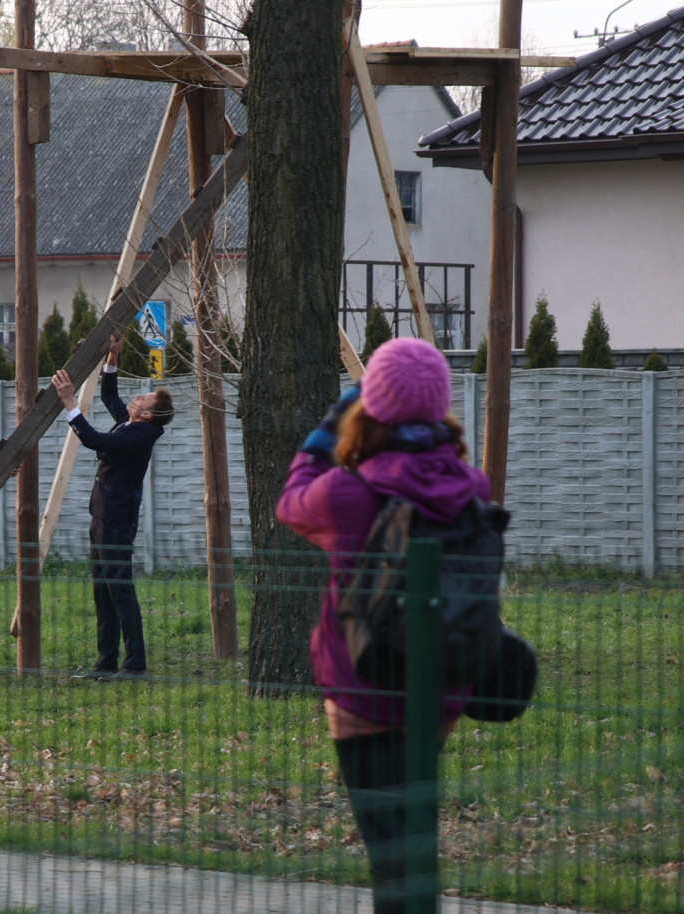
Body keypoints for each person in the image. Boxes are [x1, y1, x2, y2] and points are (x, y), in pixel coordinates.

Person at [275, 337, 492, 914]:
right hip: (441, 684)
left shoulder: (349, 491)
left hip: (361, 688)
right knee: (414, 841)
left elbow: (291, 500)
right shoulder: (474, 486)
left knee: (388, 855)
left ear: (373, 405)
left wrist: (343, 408)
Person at [52, 333, 174, 681]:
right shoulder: (131, 422)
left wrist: (69, 402)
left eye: (143, 398)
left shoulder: (140, 435)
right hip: (102, 515)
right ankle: (106, 663)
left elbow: (94, 440)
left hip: (116, 521)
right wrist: (113, 356)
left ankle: (135, 665)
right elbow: (109, 394)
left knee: (119, 589)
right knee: (102, 590)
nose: (135, 398)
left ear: (149, 414)